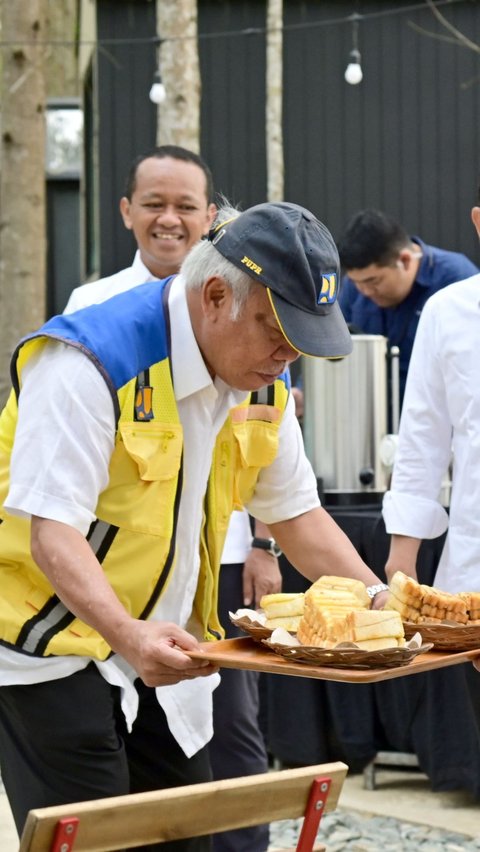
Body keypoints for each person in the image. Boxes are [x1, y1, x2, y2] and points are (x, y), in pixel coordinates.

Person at [0, 197, 390, 851]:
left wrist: (387, 606)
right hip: (51, 649)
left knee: (184, 838)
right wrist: (126, 635)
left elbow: (296, 516)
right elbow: (53, 535)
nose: (285, 358)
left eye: (301, 341)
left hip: (168, 652)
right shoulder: (88, 361)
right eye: (276, 331)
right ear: (215, 296)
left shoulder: (263, 379)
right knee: (94, 840)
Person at [66, 144, 279, 852]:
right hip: (81, 609)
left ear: (211, 217)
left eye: (186, 205)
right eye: (154, 203)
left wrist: (268, 548)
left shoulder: (264, 340)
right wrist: (124, 633)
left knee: (228, 745)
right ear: (125, 212)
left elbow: (284, 489)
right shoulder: (91, 327)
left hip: (201, 575)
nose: (169, 219)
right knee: (105, 803)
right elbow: (54, 515)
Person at [382, 191, 480, 675]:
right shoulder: (449, 311)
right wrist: (403, 555)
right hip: (475, 578)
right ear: (479, 223)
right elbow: (422, 436)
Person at [337, 208, 478, 411]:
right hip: (367, 419)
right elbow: (332, 348)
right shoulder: (354, 287)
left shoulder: (457, 280)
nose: (365, 291)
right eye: (357, 283)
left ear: (405, 260)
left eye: (373, 281)